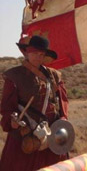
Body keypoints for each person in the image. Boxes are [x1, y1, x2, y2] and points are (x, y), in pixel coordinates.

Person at [0, 35, 69, 171]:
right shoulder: (15, 76)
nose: (37, 56)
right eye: (34, 53)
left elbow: (62, 103)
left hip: (50, 134)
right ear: (27, 52)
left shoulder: (54, 76)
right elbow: (7, 107)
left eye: (41, 54)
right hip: (25, 135)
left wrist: (62, 120)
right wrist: (12, 120)